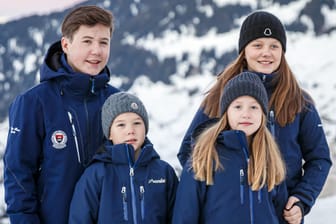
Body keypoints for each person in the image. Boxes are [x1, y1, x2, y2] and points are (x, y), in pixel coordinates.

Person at [177, 10, 332, 224]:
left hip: (281, 216)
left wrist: (301, 199)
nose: (266, 53)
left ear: (283, 51)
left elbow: (320, 159)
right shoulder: (220, 96)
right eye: (258, 45)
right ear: (244, 50)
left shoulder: (299, 102)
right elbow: (189, 152)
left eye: (274, 46)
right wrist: (218, 196)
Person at [3, 5, 120, 224]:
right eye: (87, 41)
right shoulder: (34, 102)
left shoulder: (116, 101)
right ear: (66, 44)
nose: (97, 50)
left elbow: (136, 163)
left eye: (103, 42)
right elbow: (18, 174)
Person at [173, 72, 288, 223]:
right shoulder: (205, 157)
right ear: (226, 113)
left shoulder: (270, 159)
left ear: (263, 114)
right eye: (238, 107)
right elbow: (185, 215)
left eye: (254, 107)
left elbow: (283, 216)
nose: (246, 114)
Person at [68, 92, 179, 223]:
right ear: (109, 133)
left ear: (146, 129)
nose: (130, 130)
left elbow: (177, 217)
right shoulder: (96, 174)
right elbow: (80, 219)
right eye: (121, 125)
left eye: (137, 123)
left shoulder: (164, 172)